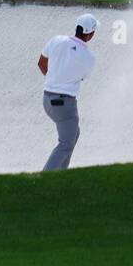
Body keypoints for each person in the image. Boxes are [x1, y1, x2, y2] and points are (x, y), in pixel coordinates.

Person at [38, 14, 99, 171]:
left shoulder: (56, 40)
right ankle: (46, 179)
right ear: (90, 34)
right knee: (66, 143)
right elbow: (81, 77)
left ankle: (61, 174)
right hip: (65, 104)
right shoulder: (89, 57)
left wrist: (54, 79)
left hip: (47, 99)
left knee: (73, 135)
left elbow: (41, 63)